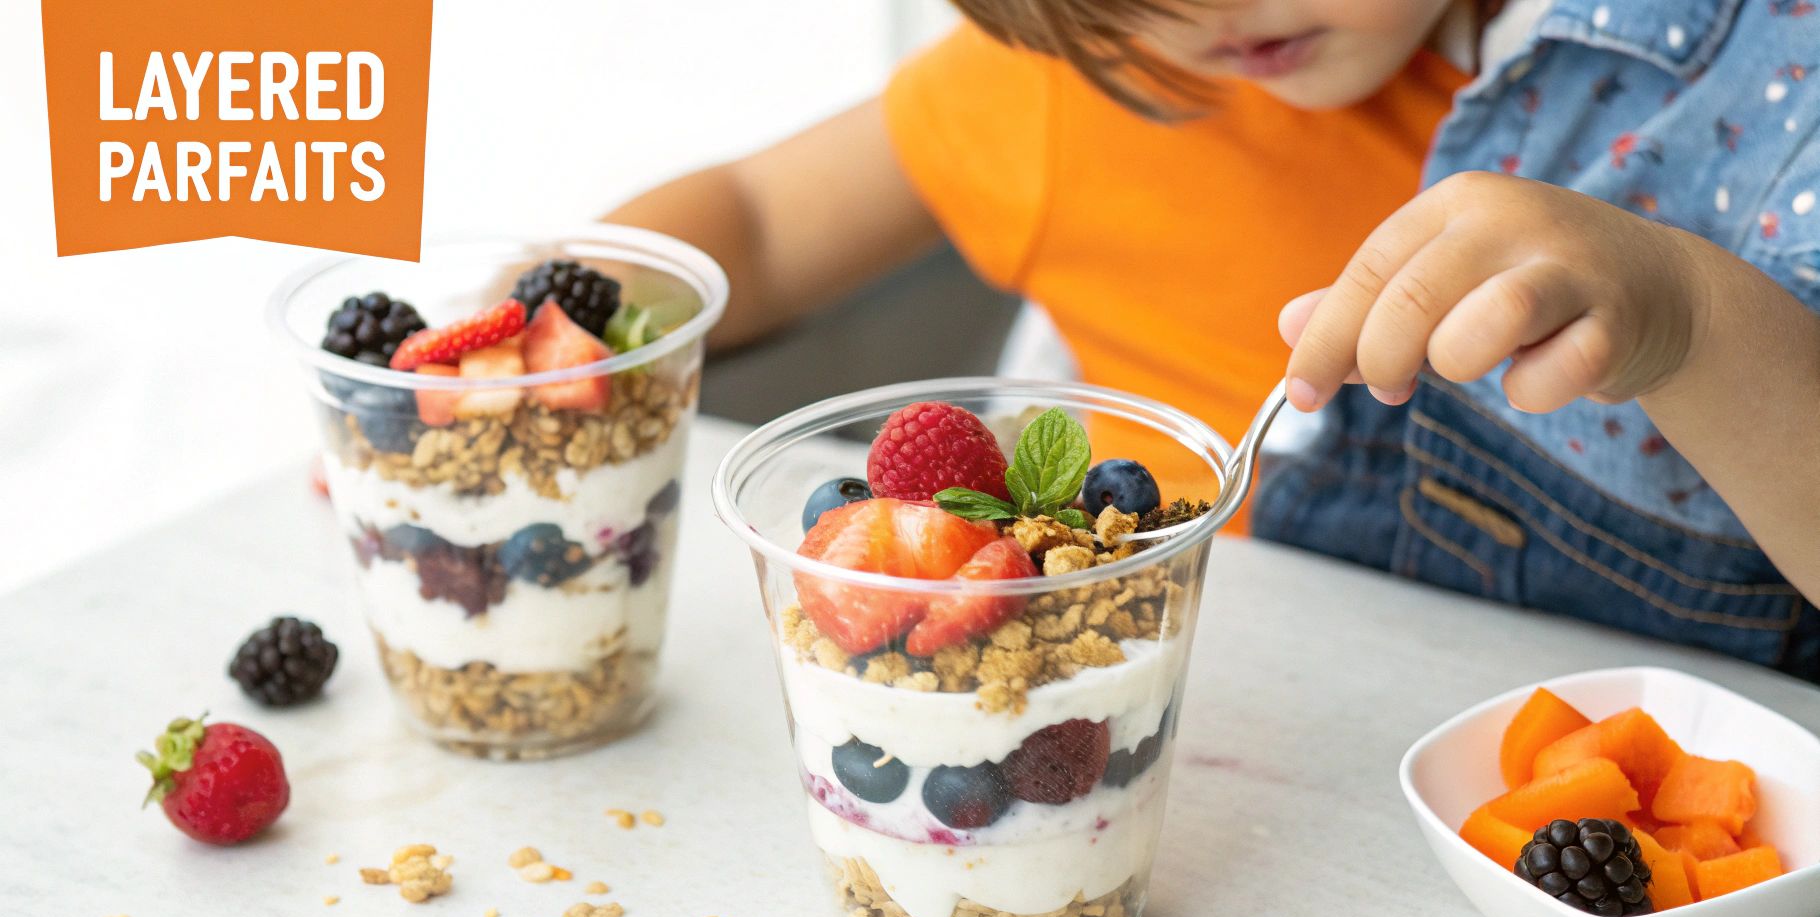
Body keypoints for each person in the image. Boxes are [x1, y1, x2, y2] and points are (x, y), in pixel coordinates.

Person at [610, 0, 1820, 680]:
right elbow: (757, 225)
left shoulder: (1729, 115)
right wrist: (557, 317)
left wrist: (1687, 320)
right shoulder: (1087, 77)